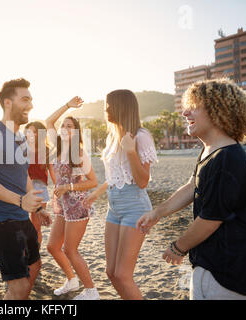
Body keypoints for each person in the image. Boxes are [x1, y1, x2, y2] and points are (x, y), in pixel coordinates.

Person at [137, 78, 246, 300]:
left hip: (226, 270)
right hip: (214, 263)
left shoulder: (227, 158)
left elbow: (210, 220)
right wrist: (157, 213)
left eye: (194, 107)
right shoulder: (212, 152)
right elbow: (191, 187)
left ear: (218, 111)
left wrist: (178, 247)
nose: (185, 113)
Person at [0, 78, 52, 300]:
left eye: (31, 99)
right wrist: (20, 202)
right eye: (25, 99)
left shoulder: (18, 136)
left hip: (21, 217)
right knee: (18, 286)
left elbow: (24, 175)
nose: (30, 105)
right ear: (8, 103)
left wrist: (37, 208)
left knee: (35, 265)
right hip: (3, 220)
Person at [84, 89, 158, 300]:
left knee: (123, 275)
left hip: (134, 206)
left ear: (122, 108)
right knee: (111, 272)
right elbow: (116, 176)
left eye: (110, 105)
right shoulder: (112, 136)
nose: (105, 109)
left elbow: (143, 181)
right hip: (113, 207)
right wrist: (97, 193)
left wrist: (131, 151)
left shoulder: (140, 136)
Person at [45, 97, 99, 300]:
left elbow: (93, 181)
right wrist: (67, 106)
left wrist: (68, 186)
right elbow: (48, 121)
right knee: (52, 247)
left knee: (70, 249)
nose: (66, 128)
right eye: (64, 125)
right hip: (62, 205)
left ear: (76, 132)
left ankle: (91, 291)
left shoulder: (79, 152)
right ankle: (72, 279)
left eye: (71, 126)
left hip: (77, 206)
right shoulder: (57, 148)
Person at [24, 121, 56, 245]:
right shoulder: (21, 148)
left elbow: (52, 170)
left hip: (40, 189)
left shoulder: (46, 150)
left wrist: (58, 188)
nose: (31, 134)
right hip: (23, 188)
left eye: (34, 132)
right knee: (22, 224)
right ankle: (25, 253)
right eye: (29, 131)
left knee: (36, 226)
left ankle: (35, 255)